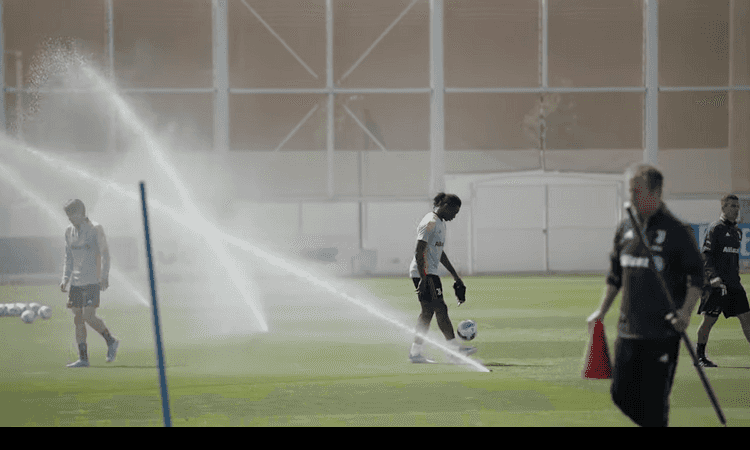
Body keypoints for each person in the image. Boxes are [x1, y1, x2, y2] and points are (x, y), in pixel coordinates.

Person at [587, 164, 704, 427]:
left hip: (661, 335)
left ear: (656, 192)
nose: (632, 197)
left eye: (637, 191)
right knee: (621, 395)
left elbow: (697, 277)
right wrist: (601, 311)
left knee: (654, 405)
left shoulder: (677, 231)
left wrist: (685, 312)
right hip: (628, 332)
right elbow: (615, 276)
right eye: (630, 191)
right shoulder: (625, 229)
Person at [408, 192, 476, 364]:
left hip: (428, 272)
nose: (454, 216)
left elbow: (439, 253)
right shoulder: (430, 222)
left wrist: (456, 276)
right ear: (445, 206)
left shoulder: (440, 223)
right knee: (440, 308)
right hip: (424, 272)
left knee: (427, 312)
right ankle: (453, 350)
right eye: (454, 212)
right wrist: (424, 278)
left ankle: (416, 353)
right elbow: (419, 250)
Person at [60, 199, 119, 368]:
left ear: (81, 212)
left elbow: (105, 253)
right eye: (68, 215)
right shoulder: (68, 231)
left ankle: (111, 341)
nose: (70, 218)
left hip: (92, 280)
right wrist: (65, 278)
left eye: (73, 214)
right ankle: (83, 359)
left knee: (88, 315)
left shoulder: (95, 228)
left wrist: (104, 276)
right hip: (76, 283)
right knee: (78, 318)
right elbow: (68, 257)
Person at [695, 194, 750, 367]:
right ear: (724, 208)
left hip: (734, 284)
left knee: (747, 318)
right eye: (732, 206)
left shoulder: (737, 231)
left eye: (737, 206)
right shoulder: (715, 228)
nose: (736, 209)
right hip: (717, 285)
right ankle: (700, 356)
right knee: (709, 320)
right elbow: (706, 255)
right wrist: (713, 277)